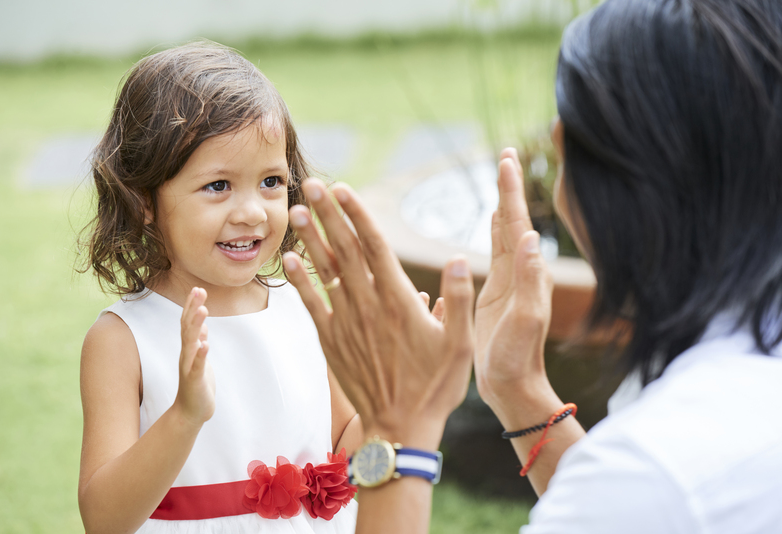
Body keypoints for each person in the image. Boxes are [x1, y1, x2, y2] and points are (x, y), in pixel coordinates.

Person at [281, 0, 782, 532]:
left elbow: (641, 498)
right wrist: (517, 388)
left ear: (565, 151)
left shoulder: (658, 469)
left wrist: (398, 424)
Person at [76, 42, 361, 534]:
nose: (252, 211)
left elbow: (349, 448)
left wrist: (404, 395)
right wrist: (185, 415)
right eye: (218, 186)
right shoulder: (122, 340)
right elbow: (104, 519)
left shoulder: (305, 311)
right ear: (145, 201)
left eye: (271, 181)